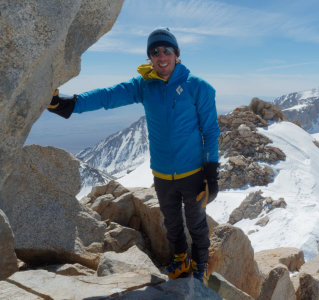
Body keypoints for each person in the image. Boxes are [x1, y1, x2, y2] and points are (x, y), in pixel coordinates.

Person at [48, 28, 220, 284]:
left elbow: (210, 131)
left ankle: (200, 264)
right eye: (155, 52)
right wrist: (70, 104)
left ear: (177, 54)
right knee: (172, 224)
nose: (161, 56)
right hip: (162, 174)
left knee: (196, 223)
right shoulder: (144, 85)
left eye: (166, 50)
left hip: (192, 172)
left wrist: (211, 173)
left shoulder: (198, 87)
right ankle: (180, 259)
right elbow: (108, 96)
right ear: (150, 57)